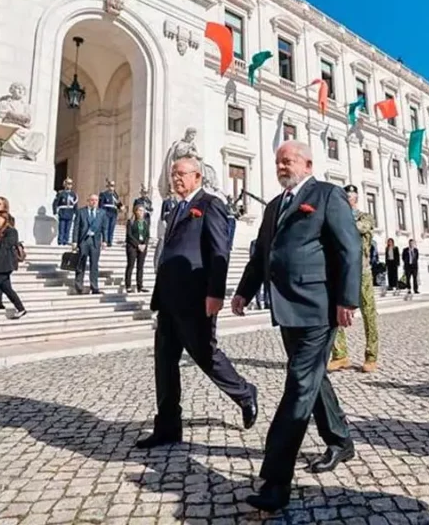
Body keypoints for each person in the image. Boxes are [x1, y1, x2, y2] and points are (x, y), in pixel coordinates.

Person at [231, 141, 361, 513]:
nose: (281, 166)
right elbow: (262, 255)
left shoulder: (326, 195)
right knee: (313, 378)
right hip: (287, 308)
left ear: (307, 163)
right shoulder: (275, 206)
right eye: (277, 162)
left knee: (299, 385)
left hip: (318, 309)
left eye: (288, 161)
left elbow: (348, 249)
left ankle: (275, 480)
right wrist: (244, 291)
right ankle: (341, 440)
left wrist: (347, 300)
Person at [136, 156, 257, 450]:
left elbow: (219, 251)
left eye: (181, 174)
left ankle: (244, 393)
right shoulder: (176, 208)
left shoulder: (210, 204)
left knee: (205, 355)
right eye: (173, 174)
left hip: (195, 298)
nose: (176, 178)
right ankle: (167, 426)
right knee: (164, 364)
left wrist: (215, 293)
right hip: (167, 298)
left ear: (198, 176)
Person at [328, 184, 379, 373]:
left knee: (368, 313)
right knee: (335, 312)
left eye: (350, 197)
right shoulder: (337, 218)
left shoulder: (365, 217)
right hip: (340, 272)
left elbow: (357, 228)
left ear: (355, 198)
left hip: (362, 272)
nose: (347, 199)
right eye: (345, 196)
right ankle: (340, 355)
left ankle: (371, 355)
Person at [73, 194, 108, 294]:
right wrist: (74, 241)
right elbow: (76, 227)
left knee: (94, 265)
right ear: (88, 201)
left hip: (95, 241)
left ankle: (94, 286)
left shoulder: (102, 213)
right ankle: (79, 286)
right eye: (92, 200)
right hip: (84, 240)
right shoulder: (81, 212)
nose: (94, 202)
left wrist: (105, 241)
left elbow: (104, 228)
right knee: (81, 264)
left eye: (96, 200)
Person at [125, 204, 150, 293]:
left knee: (140, 267)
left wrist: (144, 245)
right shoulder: (131, 222)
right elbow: (129, 235)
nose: (141, 212)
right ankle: (128, 286)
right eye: (139, 210)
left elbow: (147, 235)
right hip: (132, 246)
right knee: (130, 265)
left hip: (143, 247)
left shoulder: (145, 222)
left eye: (142, 211)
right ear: (135, 211)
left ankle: (140, 286)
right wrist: (137, 245)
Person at [52, 178, 77, 245]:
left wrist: (75, 213)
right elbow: (55, 203)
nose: (69, 185)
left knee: (68, 229)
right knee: (61, 228)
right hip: (62, 212)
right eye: (68, 184)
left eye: (70, 184)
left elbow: (75, 204)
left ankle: (66, 241)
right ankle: (60, 241)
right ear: (65, 184)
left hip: (70, 213)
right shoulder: (61, 193)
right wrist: (55, 212)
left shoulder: (73, 194)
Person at [98, 180, 121, 247]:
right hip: (106, 213)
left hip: (113, 213)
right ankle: (105, 241)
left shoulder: (115, 195)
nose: (112, 187)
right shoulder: (104, 194)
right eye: (111, 185)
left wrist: (121, 207)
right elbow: (101, 205)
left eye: (113, 186)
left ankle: (110, 242)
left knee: (112, 228)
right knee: (106, 228)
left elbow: (117, 203)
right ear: (108, 186)